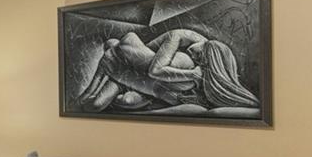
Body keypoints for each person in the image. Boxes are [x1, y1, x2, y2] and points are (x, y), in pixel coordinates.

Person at [78, 29, 259, 113]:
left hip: (129, 73)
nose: (194, 57)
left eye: (200, 62)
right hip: (126, 55)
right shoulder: (180, 36)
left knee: (96, 105)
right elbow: (155, 71)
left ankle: (114, 59)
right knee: (91, 102)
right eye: (200, 54)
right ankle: (114, 51)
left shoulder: (193, 66)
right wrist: (191, 74)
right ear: (207, 46)